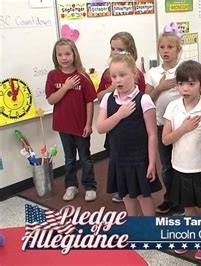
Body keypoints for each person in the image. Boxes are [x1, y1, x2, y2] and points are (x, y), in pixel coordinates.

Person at [162, 60, 201, 261]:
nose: (185, 88)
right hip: (180, 167)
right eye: (181, 84)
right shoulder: (173, 106)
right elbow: (166, 139)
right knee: (187, 208)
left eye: (191, 84)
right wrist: (183, 129)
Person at [96, 53, 162, 216]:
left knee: (144, 196)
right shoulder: (107, 99)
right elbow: (101, 127)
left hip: (139, 159)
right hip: (118, 158)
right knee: (126, 195)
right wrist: (119, 114)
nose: (118, 80)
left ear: (134, 73)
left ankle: (150, 231)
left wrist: (152, 163)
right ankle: (134, 227)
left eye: (122, 75)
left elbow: (152, 135)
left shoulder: (144, 100)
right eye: (113, 76)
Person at [96, 32, 146, 203]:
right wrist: (112, 86)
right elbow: (100, 96)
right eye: (112, 48)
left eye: (120, 49)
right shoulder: (107, 74)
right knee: (116, 159)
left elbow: (142, 97)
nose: (115, 52)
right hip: (114, 130)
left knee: (138, 170)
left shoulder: (136, 74)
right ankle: (121, 187)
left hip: (134, 132)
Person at [45, 38, 98, 202]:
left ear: (74, 54)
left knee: (85, 158)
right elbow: (51, 100)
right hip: (63, 125)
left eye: (67, 53)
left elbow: (90, 101)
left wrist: (89, 124)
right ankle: (71, 186)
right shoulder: (53, 75)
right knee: (69, 159)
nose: (64, 58)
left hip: (81, 126)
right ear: (55, 56)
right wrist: (66, 87)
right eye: (59, 54)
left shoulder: (82, 76)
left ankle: (90, 186)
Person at [145, 24, 184, 216]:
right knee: (167, 165)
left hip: (184, 125)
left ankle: (185, 200)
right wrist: (159, 87)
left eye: (170, 47)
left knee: (184, 164)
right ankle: (171, 199)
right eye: (162, 47)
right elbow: (147, 99)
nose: (166, 51)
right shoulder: (153, 73)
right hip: (161, 126)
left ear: (178, 49)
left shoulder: (184, 70)